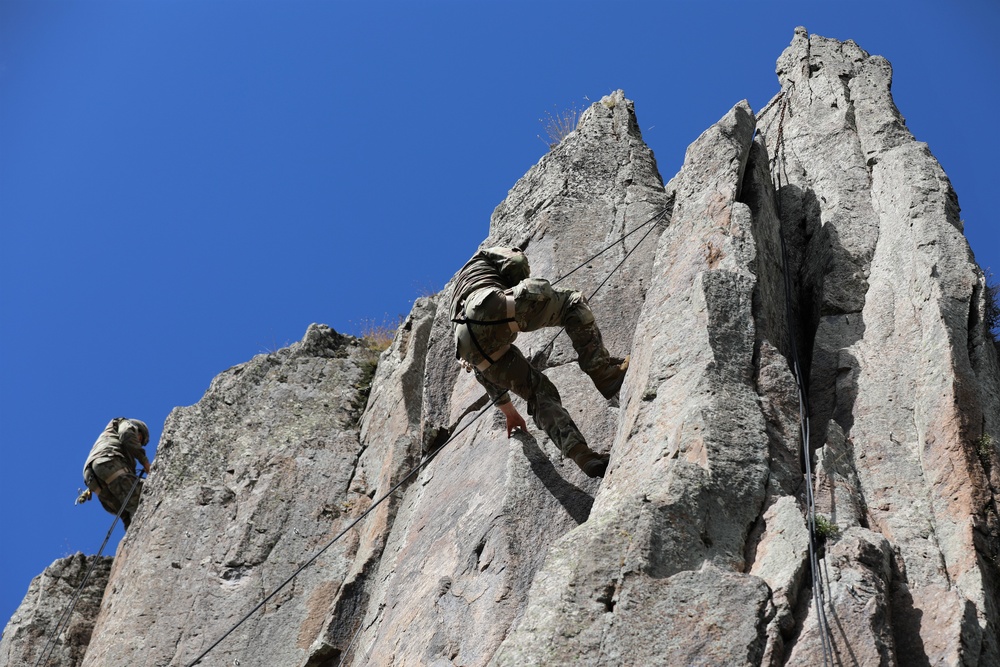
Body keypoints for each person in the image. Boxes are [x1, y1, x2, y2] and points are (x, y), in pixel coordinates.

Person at [451, 246, 628, 478]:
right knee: (573, 304)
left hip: (466, 344)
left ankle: (583, 455)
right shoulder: (486, 253)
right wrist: (523, 287)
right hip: (487, 305)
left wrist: (509, 412)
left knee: (538, 392)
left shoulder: (460, 290)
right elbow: (515, 262)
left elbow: (483, 374)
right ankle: (604, 373)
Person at [80, 417, 152, 528]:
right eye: (140, 439)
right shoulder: (124, 423)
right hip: (108, 462)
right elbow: (126, 434)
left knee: (128, 517)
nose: (138, 442)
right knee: (146, 494)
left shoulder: (108, 437)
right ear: (139, 430)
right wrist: (145, 462)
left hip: (92, 478)